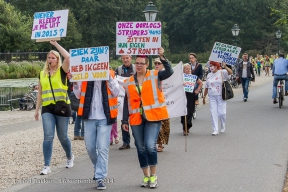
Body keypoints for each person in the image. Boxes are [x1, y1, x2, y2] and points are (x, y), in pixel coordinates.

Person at [122, 48, 173, 188]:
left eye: (142, 63)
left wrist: (162, 56)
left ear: (146, 64)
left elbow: (169, 71)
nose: (139, 65)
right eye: (137, 63)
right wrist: (124, 120)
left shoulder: (155, 75)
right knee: (140, 147)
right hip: (136, 119)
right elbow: (127, 103)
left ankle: (154, 175)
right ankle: (146, 176)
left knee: (150, 146)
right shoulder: (129, 81)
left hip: (153, 117)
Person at [73, 69, 119, 190]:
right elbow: (78, 95)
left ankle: (100, 177)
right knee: (90, 147)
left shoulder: (111, 73)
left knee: (102, 148)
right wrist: (75, 81)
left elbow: (117, 92)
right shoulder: (84, 75)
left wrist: (108, 77)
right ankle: (97, 167)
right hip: (90, 117)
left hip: (105, 118)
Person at [34, 40, 74, 175]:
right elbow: (40, 92)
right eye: (49, 57)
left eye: (53, 57)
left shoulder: (63, 71)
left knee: (62, 136)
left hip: (62, 106)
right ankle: (46, 165)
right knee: (48, 136)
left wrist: (55, 44)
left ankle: (69, 156)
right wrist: (36, 110)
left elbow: (68, 57)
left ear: (57, 60)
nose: (50, 59)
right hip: (47, 108)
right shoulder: (42, 74)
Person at [203, 61, 232, 135]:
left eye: (212, 65)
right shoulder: (209, 75)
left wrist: (225, 66)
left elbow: (230, 72)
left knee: (222, 113)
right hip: (212, 96)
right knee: (213, 113)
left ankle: (223, 124)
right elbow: (206, 86)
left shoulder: (222, 72)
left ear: (216, 66)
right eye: (210, 66)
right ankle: (215, 129)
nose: (211, 67)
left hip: (221, 95)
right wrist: (204, 96)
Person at [115, 55, 136, 150]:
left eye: (127, 58)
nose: (125, 60)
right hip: (123, 98)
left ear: (131, 58)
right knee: (124, 120)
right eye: (123, 58)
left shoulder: (136, 68)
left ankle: (138, 141)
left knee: (136, 121)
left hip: (134, 97)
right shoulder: (119, 69)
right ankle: (126, 142)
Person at [154, 57, 170, 152]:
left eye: (159, 63)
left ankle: (160, 143)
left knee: (164, 125)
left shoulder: (165, 74)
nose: (156, 65)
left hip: (165, 103)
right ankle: (157, 144)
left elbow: (170, 71)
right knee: (157, 124)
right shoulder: (152, 74)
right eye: (155, 63)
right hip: (155, 103)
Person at [181, 63, 203, 136]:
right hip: (183, 95)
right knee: (183, 111)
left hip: (191, 95)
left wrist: (197, 90)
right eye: (186, 69)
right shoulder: (181, 77)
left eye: (189, 69)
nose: (188, 70)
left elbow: (200, 83)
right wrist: (181, 84)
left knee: (190, 111)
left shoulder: (194, 77)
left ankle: (188, 126)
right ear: (184, 70)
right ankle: (184, 128)